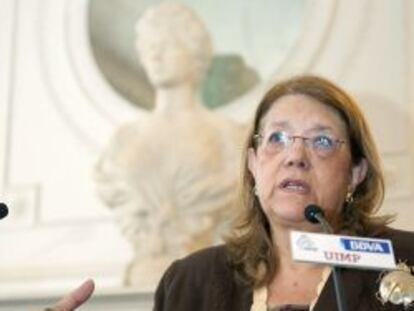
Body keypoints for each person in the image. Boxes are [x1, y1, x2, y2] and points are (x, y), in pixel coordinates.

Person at [152, 75, 414, 311]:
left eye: (322, 141)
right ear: (253, 164)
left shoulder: (406, 259)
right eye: (277, 138)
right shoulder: (189, 284)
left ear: (355, 174)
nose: (295, 156)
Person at [94, 2, 245, 287]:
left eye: (168, 44)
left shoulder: (229, 136)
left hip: (202, 278)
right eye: (149, 45)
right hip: (139, 276)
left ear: (195, 52)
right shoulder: (123, 139)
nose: (155, 54)